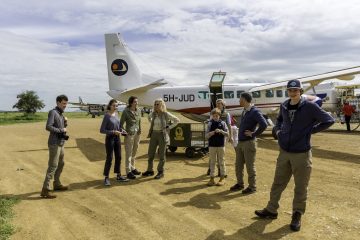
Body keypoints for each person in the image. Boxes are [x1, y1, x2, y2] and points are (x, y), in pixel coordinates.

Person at [255, 79, 335, 232]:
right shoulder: (284, 105)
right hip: (284, 151)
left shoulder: (310, 106)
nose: (293, 93)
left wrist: (310, 131)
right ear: (288, 91)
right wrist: (278, 131)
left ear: (300, 91)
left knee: (300, 187)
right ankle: (271, 210)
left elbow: (328, 120)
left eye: (295, 90)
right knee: (278, 183)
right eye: (290, 90)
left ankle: (297, 215)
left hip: (302, 153)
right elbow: (279, 120)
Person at [229, 92, 267, 194]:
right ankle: (240, 184)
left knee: (250, 166)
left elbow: (264, 124)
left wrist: (254, 134)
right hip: (241, 142)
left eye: (240, 99)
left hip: (249, 143)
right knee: (238, 165)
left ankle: (252, 187)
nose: (239, 100)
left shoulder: (254, 111)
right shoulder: (245, 110)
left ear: (244, 100)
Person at [142, 98, 179, 179]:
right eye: (155, 104)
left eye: (157, 104)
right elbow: (149, 117)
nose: (155, 106)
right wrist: (151, 122)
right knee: (150, 153)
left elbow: (177, 120)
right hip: (154, 134)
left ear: (162, 105)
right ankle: (150, 170)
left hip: (162, 135)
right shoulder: (153, 114)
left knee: (161, 155)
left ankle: (160, 171)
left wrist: (169, 127)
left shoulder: (166, 114)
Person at [41, 95, 70, 198]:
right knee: (53, 165)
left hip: (61, 143)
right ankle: (45, 189)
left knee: (61, 163)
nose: (65, 105)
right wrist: (61, 130)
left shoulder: (61, 114)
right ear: (58, 103)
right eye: (63, 103)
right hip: (54, 143)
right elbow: (48, 126)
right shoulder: (53, 112)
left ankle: (56, 184)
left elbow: (62, 128)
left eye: (66, 103)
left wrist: (65, 123)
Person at [100, 99, 128, 186]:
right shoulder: (107, 116)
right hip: (110, 139)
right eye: (114, 105)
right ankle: (106, 177)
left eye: (116, 106)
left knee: (119, 157)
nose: (115, 107)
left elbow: (118, 127)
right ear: (110, 106)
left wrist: (122, 130)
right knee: (110, 158)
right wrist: (113, 132)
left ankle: (118, 175)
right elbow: (102, 130)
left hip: (117, 138)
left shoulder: (116, 114)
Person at [206, 99, 232, 176]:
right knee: (212, 156)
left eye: (219, 104)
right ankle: (210, 170)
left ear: (223, 105)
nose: (217, 105)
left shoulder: (227, 114)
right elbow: (210, 124)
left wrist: (230, 136)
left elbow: (229, 125)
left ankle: (221, 172)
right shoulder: (213, 113)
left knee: (221, 156)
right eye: (217, 104)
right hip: (213, 138)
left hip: (222, 137)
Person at [120, 96, 142, 180]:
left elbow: (139, 121)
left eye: (137, 101)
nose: (137, 103)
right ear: (131, 103)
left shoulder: (139, 110)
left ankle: (133, 168)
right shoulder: (126, 111)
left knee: (134, 151)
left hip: (137, 134)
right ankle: (128, 171)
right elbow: (121, 124)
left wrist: (140, 130)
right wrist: (125, 132)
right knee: (128, 153)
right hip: (129, 134)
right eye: (135, 102)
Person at [206, 108, 229, 186]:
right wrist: (211, 133)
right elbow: (206, 136)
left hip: (221, 145)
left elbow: (227, 134)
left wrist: (221, 131)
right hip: (212, 145)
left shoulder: (223, 123)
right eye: (214, 116)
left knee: (221, 161)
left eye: (217, 116)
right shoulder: (210, 123)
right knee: (212, 162)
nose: (215, 117)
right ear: (212, 116)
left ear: (219, 116)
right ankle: (212, 178)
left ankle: (222, 178)